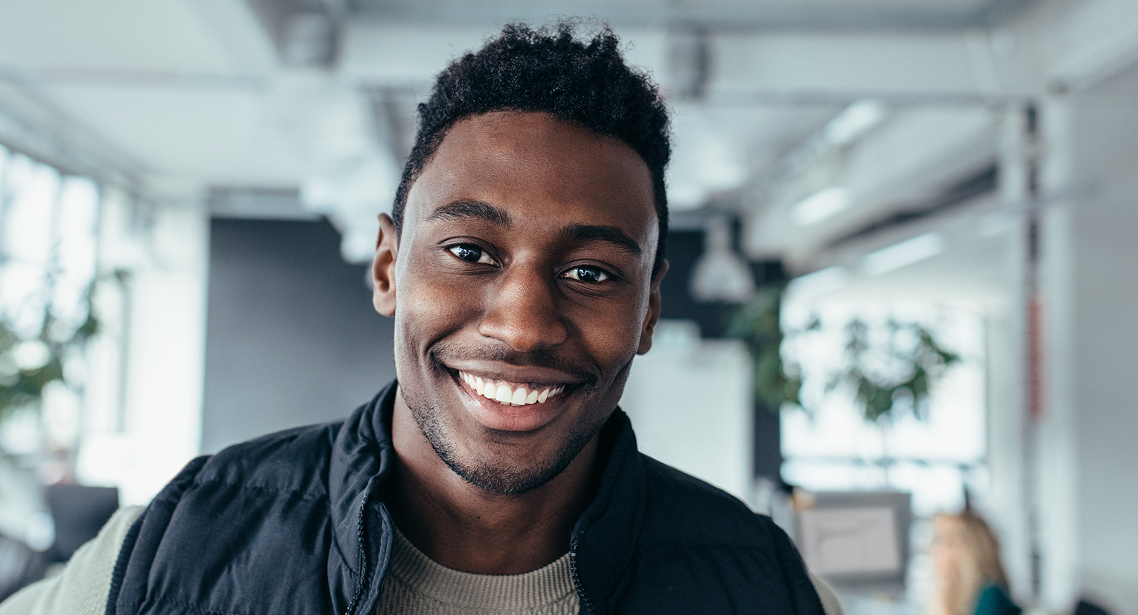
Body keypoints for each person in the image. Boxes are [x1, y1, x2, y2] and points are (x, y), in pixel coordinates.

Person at [1, 22, 842, 615]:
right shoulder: (172, 548)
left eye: (590, 271)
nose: (521, 325)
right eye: (471, 252)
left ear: (649, 305)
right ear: (386, 266)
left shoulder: (770, 587)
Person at [928, 509, 1021, 615]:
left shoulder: (990, 596)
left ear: (967, 549)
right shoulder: (961, 595)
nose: (933, 551)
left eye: (941, 541)